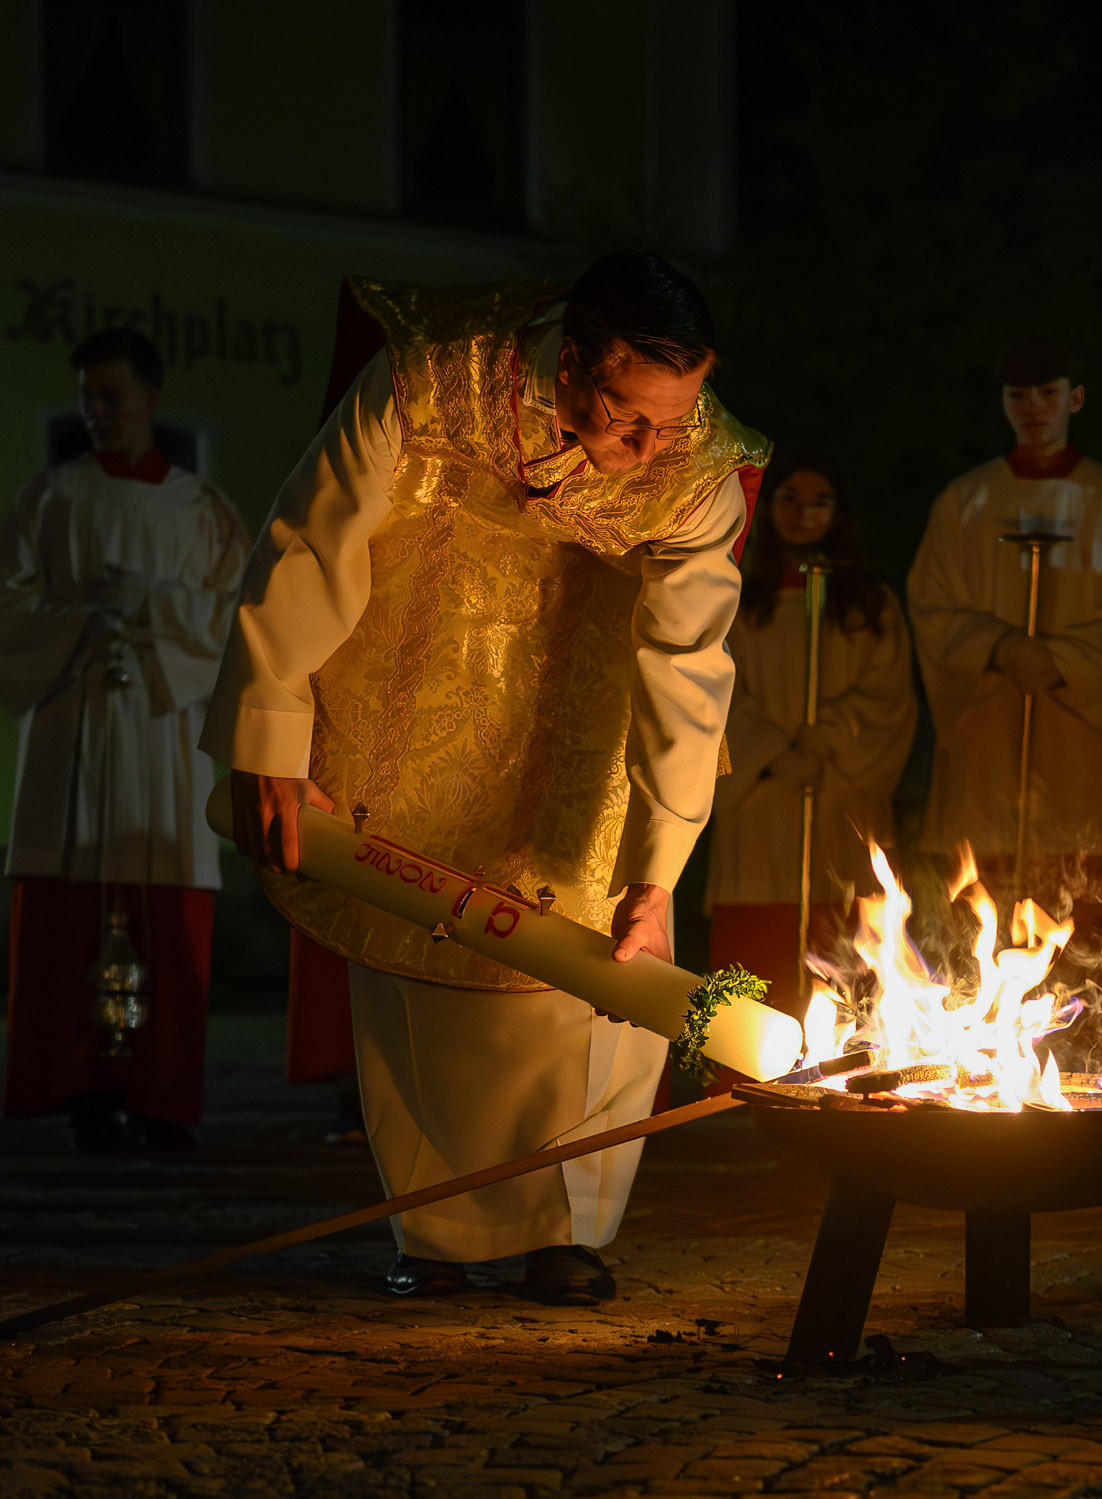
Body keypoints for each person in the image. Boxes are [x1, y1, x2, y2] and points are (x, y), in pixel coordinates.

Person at [200, 252, 769, 1302]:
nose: (651, 447)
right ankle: (439, 1231)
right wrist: (269, 731)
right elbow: (310, 536)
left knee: (588, 964)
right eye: (626, 416)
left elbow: (690, 664)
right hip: (417, 682)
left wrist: (659, 867)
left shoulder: (694, 463)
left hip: (587, 712)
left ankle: (572, 1225)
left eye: (671, 421)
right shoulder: (427, 380)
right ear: (571, 365)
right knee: (421, 959)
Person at [1, 327, 247, 1151]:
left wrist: (153, 606)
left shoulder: (203, 511)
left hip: (163, 727)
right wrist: (80, 621)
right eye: (86, 397)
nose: (96, 411)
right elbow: (8, 606)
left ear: (150, 397)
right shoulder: (51, 497)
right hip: (76, 717)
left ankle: (161, 1094)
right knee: (71, 906)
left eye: (110, 395)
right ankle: (79, 1089)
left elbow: (234, 621)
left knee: (166, 906)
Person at [907, 339, 1102, 958]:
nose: (1034, 408)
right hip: (989, 737)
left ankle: (1076, 1052)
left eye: (1048, 394)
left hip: (1076, 740)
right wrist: (996, 646)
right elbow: (932, 604)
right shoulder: (964, 501)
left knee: (1080, 936)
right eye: (1018, 396)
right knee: (978, 929)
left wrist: (1058, 659)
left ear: (1074, 398)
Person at [705, 451, 916, 1006]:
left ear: (839, 514)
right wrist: (773, 750)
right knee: (753, 978)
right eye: (790, 499)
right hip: (760, 804)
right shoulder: (737, 598)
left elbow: (889, 697)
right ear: (769, 507)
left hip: (838, 798)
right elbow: (715, 686)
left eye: (819, 502)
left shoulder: (870, 606)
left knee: (842, 966)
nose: (803, 513)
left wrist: (828, 736)